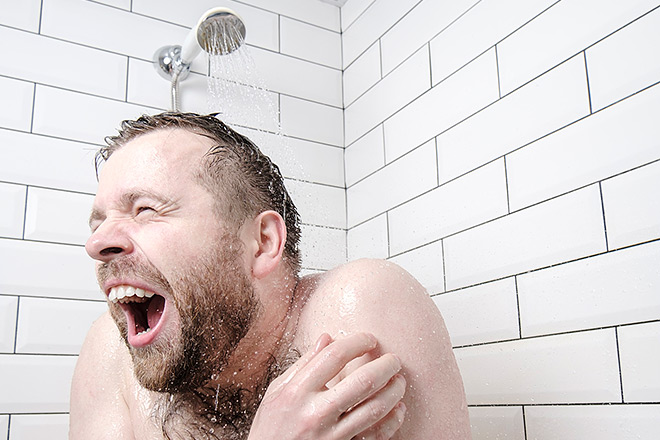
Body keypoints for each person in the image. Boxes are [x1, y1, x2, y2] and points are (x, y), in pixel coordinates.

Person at [69, 112, 471, 439]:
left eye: (145, 209)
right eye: (98, 222)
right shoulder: (110, 353)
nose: (97, 243)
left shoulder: (357, 309)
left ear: (262, 242)